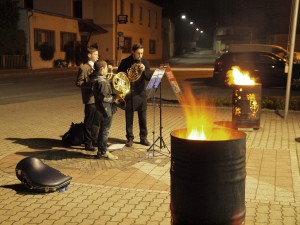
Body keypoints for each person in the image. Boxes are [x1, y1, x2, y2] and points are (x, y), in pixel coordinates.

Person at [117, 43, 151, 147]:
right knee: (129, 117)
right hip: (129, 94)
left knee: (143, 117)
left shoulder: (145, 62)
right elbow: (119, 76)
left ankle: (143, 137)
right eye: (138, 53)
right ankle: (130, 138)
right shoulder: (125, 62)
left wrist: (144, 70)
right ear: (133, 52)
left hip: (141, 93)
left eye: (141, 53)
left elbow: (148, 78)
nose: (140, 55)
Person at [93, 60, 118, 160]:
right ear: (102, 69)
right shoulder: (102, 81)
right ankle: (103, 152)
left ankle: (101, 150)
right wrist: (115, 98)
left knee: (102, 130)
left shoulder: (97, 78)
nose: (107, 69)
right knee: (105, 131)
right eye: (106, 68)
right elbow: (104, 98)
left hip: (100, 108)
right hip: (105, 109)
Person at [75, 47, 100, 151]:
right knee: (88, 122)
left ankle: (94, 140)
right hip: (90, 99)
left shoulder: (98, 66)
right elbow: (78, 82)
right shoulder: (84, 68)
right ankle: (88, 143)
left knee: (96, 122)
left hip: (98, 98)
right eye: (95, 54)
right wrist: (90, 86)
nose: (98, 56)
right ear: (89, 55)